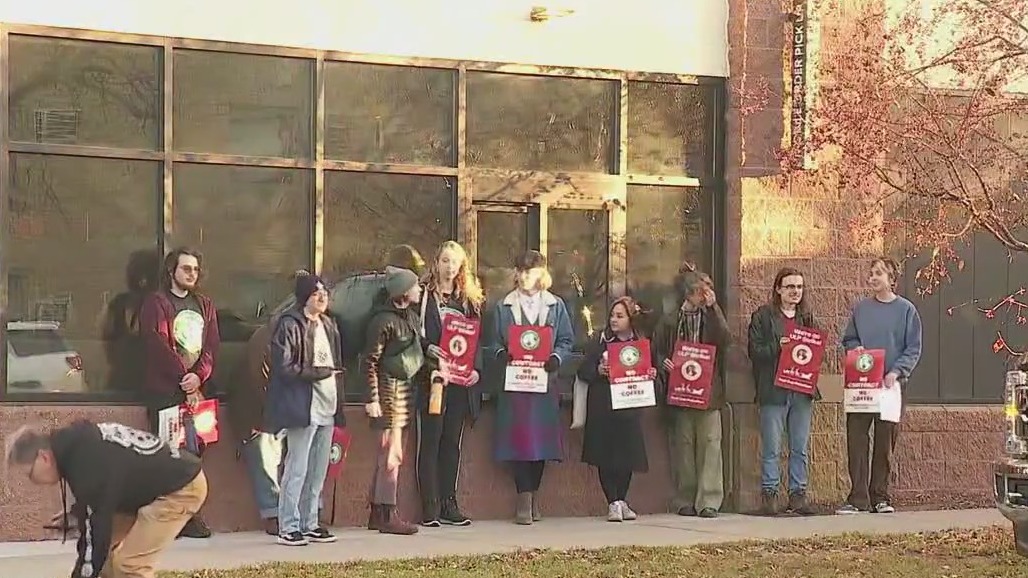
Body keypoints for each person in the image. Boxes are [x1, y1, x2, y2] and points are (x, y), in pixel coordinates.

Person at [6, 421, 207, 578]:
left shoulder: (84, 464)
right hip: (155, 487)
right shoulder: (78, 447)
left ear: (44, 458)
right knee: (108, 561)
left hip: (181, 487)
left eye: (29, 474)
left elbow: (95, 532)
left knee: (130, 565)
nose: (32, 481)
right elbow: (104, 491)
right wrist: (79, 512)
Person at [488, 250, 575, 525]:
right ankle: (523, 497)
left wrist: (555, 359)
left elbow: (566, 340)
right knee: (519, 441)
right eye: (522, 271)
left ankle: (534, 493)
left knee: (541, 443)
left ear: (542, 274)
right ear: (516, 273)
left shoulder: (555, 305)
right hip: (515, 385)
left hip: (543, 384)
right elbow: (492, 343)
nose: (526, 276)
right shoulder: (503, 306)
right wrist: (501, 354)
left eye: (531, 271)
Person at [139, 247, 220, 539]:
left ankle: (190, 515)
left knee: (196, 453)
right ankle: (169, 518)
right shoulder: (157, 303)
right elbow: (156, 343)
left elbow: (211, 347)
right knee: (168, 454)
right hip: (166, 393)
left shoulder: (205, 305)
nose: (192, 274)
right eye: (186, 268)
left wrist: (198, 376)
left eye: (196, 269)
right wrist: (182, 377)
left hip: (198, 393)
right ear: (171, 270)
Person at [265, 272, 345, 546]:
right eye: (315, 292)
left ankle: (311, 522)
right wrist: (317, 373)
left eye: (324, 292)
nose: (322, 296)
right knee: (296, 467)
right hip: (303, 406)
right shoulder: (289, 324)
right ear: (303, 297)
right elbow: (283, 367)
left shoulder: (328, 325)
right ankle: (288, 525)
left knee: (318, 470)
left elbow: (336, 367)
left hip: (328, 407)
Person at [837, 257, 922, 515]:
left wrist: (896, 372)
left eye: (878, 274)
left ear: (891, 279)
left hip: (890, 386)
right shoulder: (861, 309)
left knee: (885, 441)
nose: (873, 278)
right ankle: (857, 498)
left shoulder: (907, 311)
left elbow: (913, 347)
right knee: (857, 438)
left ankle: (880, 497)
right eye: (871, 273)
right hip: (862, 384)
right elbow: (849, 339)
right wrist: (856, 348)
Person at [415, 241, 485, 527]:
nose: (449, 266)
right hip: (434, 380)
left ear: (461, 267)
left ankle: (449, 503)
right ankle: (429, 506)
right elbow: (412, 334)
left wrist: (476, 372)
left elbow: (478, 341)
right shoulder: (424, 297)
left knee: (451, 443)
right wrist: (429, 349)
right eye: (445, 260)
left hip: (459, 383)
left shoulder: (468, 301)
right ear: (437, 263)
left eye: (454, 262)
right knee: (431, 440)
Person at [653, 264, 731, 519]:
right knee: (684, 447)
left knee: (710, 444)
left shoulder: (711, 317)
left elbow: (725, 340)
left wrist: (714, 308)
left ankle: (709, 500)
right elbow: (657, 348)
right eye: (701, 291)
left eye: (709, 290)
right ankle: (685, 498)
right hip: (680, 391)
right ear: (689, 293)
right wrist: (663, 361)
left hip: (708, 392)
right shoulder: (671, 319)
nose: (706, 295)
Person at [747, 267, 819, 516]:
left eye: (799, 287)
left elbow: (814, 353)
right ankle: (770, 496)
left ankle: (798, 495)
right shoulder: (763, 316)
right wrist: (777, 346)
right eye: (790, 287)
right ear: (778, 289)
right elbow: (754, 351)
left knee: (799, 447)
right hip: (773, 390)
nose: (795, 292)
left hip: (800, 390)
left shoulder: (806, 317)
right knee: (772, 447)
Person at [577, 296, 652, 522]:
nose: (614, 320)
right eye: (612, 315)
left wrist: (652, 374)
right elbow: (583, 370)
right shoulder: (600, 341)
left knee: (627, 456)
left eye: (620, 316)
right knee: (606, 457)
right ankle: (612, 501)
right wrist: (598, 370)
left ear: (631, 319)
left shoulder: (640, 343)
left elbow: (651, 369)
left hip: (629, 406)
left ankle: (622, 499)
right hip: (604, 407)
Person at [363, 267, 425, 535]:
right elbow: (370, 362)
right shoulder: (382, 321)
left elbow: (418, 350)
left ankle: (379, 512)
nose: (420, 290)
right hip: (389, 396)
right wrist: (372, 398)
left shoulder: (409, 317)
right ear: (403, 291)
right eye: (415, 286)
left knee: (393, 456)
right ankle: (387, 513)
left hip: (404, 395)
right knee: (390, 455)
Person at [226, 319, 282, 536]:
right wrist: (261, 420)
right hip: (254, 411)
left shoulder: (282, 335)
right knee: (264, 457)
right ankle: (273, 513)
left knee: (275, 458)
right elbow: (256, 382)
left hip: (274, 410)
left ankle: (280, 511)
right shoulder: (265, 340)